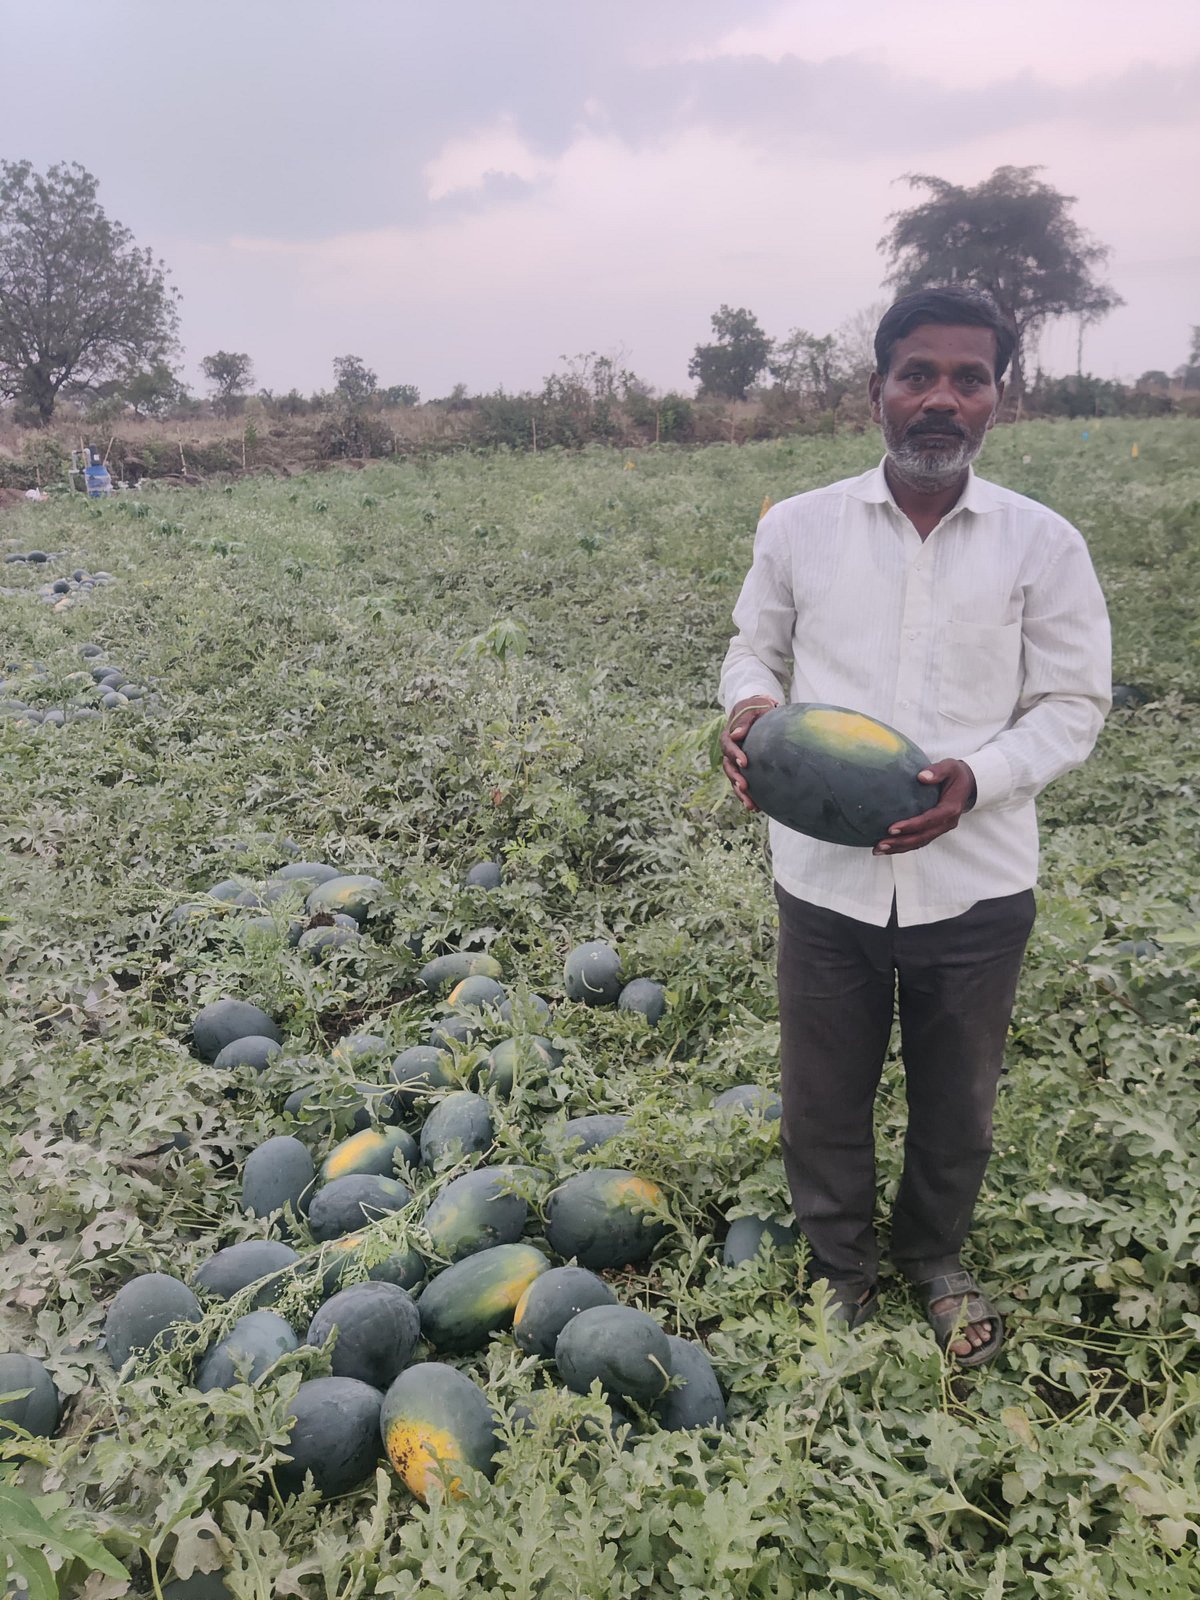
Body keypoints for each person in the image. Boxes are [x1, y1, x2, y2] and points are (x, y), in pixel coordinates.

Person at [718, 286, 1111, 1366]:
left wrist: (976, 781)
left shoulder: (1044, 544)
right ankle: (839, 1268)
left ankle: (934, 1254)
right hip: (824, 877)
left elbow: (1074, 704)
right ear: (877, 391)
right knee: (822, 1093)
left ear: (998, 398)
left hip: (976, 878)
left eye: (969, 379)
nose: (942, 399)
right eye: (918, 375)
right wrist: (748, 709)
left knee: (958, 1100)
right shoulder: (799, 527)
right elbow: (753, 649)